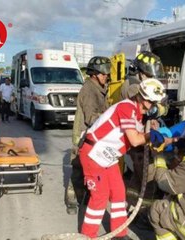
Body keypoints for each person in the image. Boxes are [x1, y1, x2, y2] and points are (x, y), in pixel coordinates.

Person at [78, 78, 172, 239]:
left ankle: (119, 234)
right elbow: (135, 140)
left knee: (118, 192)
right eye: (153, 103)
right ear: (143, 99)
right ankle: (88, 236)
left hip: (108, 156)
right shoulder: (126, 108)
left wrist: (165, 138)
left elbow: (136, 138)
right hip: (93, 153)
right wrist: (150, 136)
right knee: (99, 197)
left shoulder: (137, 113)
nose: (155, 107)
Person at [121, 51, 167, 220]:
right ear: (140, 72)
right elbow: (152, 109)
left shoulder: (135, 84)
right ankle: (142, 215)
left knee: (138, 177)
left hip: (138, 141)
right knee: (149, 180)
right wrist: (162, 107)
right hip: (138, 141)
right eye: (149, 76)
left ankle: (132, 208)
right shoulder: (134, 86)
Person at [66, 57, 110, 232]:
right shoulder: (89, 90)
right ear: (96, 74)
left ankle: (83, 196)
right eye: (105, 73)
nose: (107, 76)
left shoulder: (99, 88)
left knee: (87, 171)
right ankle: (71, 200)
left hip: (92, 137)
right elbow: (92, 117)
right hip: (83, 137)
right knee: (78, 169)